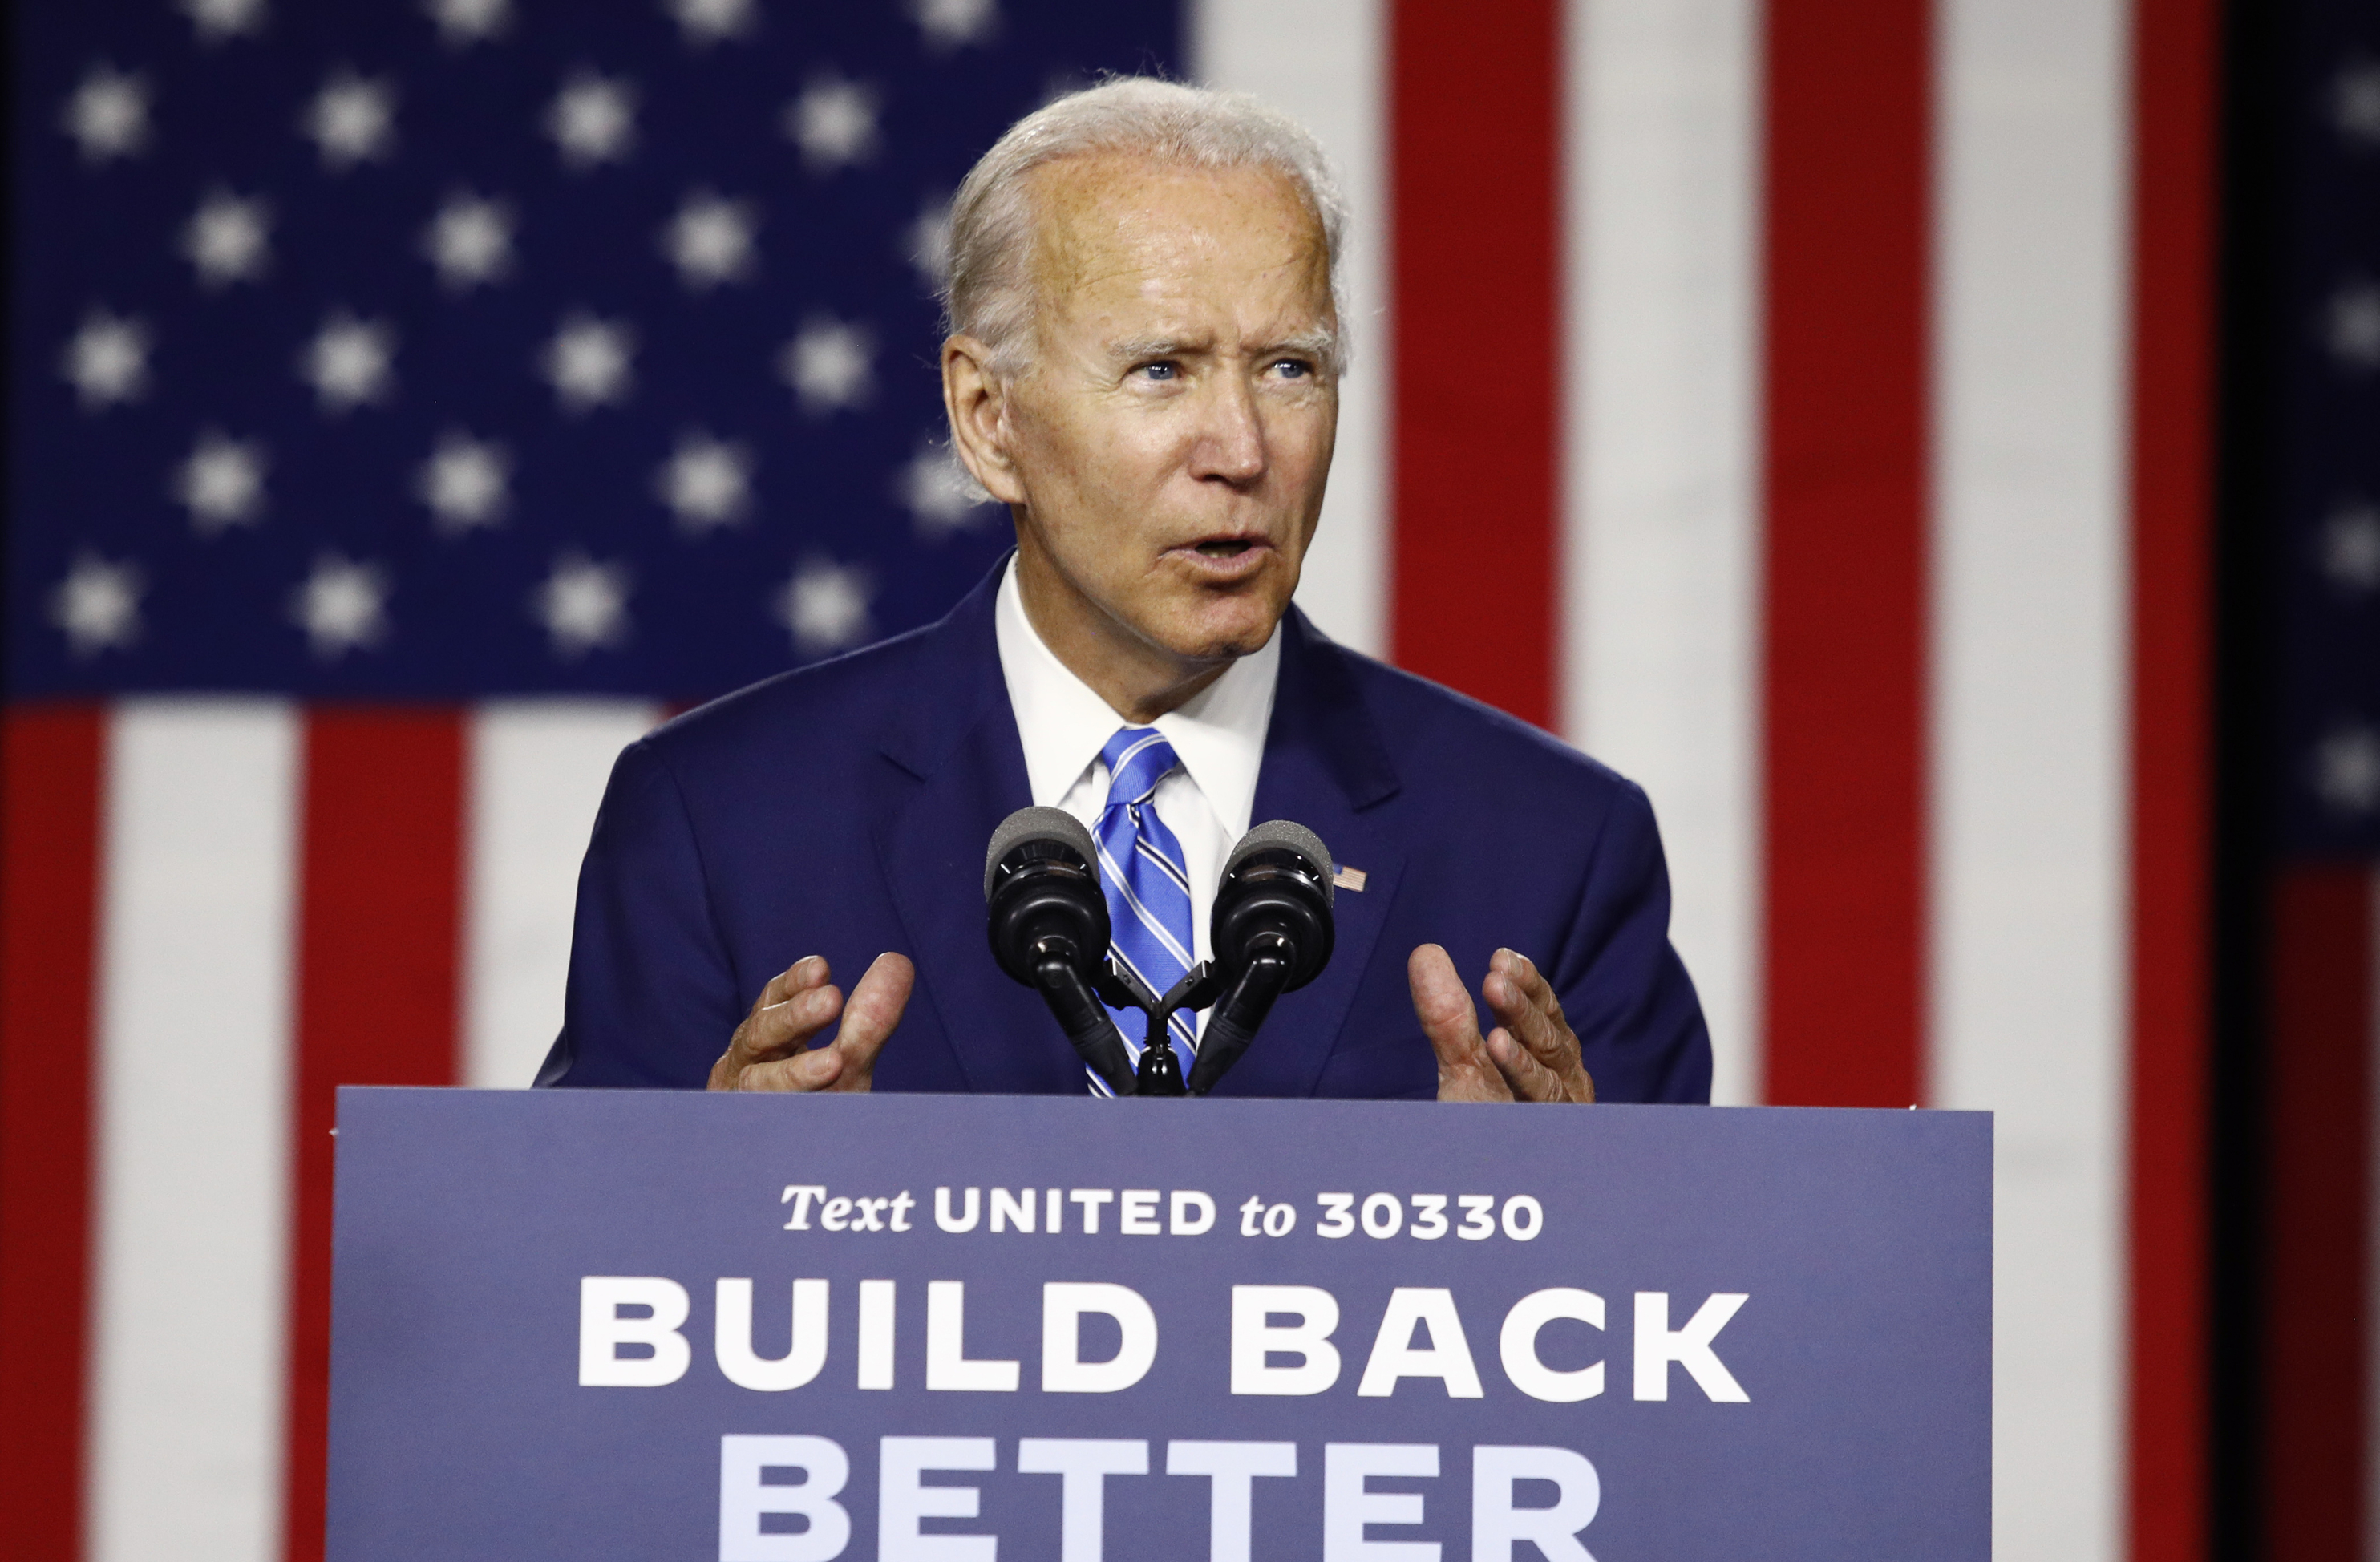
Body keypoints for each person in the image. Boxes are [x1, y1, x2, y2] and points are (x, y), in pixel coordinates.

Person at [538, 78, 1710, 1105]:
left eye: (1289, 369)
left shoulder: (1554, 852)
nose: (1243, 450)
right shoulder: (719, 823)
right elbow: (564, 1292)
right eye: (1163, 370)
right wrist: (700, 1194)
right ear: (988, 420)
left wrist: (1554, 1213)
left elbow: (1688, 1307)